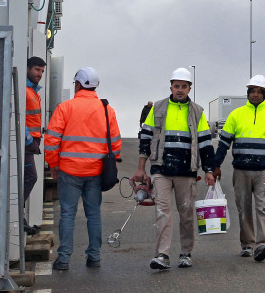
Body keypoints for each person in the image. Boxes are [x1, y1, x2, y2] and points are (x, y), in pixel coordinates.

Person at [134, 68, 216, 270]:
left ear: (190, 88)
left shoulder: (197, 112)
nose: (180, 90)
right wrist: (141, 168)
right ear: (171, 86)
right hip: (161, 170)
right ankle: (162, 255)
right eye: (176, 86)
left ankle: (186, 253)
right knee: (163, 212)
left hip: (187, 172)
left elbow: (205, 143)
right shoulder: (159, 108)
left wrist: (208, 170)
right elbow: (145, 138)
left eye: (184, 86)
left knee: (186, 213)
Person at [45, 67, 121, 271]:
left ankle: (63, 260)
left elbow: (52, 140)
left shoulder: (65, 107)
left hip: (69, 171)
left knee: (67, 214)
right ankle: (94, 257)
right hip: (96, 172)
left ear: (78, 84)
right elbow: (115, 142)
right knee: (94, 214)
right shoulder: (107, 109)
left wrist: (53, 164)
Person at [213, 75, 265, 262]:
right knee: (244, 208)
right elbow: (224, 143)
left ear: (264, 95)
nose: (255, 94)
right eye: (252, 91)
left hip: (264, 171)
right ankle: (247, 244)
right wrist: (216, 165)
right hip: (241, 171)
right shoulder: (236, 115)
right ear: (248, 93)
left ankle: (263, 243)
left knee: (264, 207)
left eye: (259, 92)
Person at [24, 56, 46, 236]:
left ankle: (18, 215)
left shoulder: (33, 91)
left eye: (42, 71)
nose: (40, 74)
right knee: (30, 177)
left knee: (28, 178)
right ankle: (17, 214)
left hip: (31, 142)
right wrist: (29, 139)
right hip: (26, 144)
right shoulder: (25, 90)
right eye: (37, 70)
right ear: (28, 69)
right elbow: (19, 116)